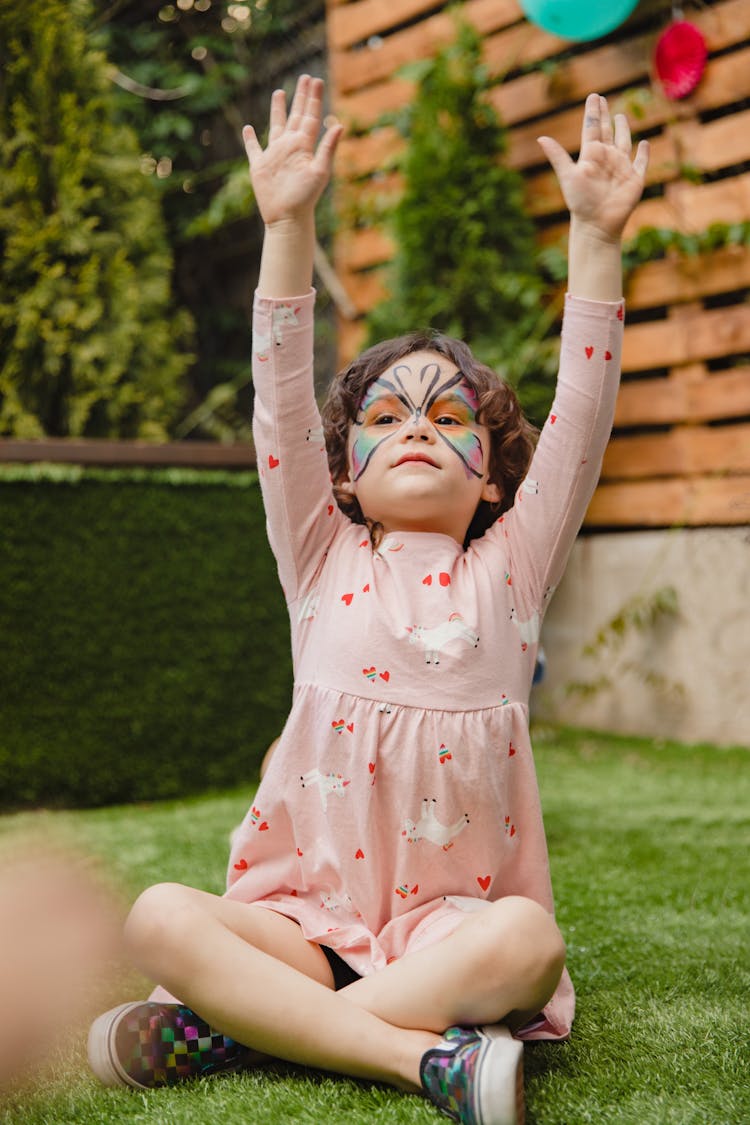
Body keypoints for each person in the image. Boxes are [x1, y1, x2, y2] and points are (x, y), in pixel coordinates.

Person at [87, 76, 648, 1124]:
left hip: (451, 930)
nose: (420, 425)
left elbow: (585, 410)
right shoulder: (318, 549)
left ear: (493, 477)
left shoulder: (514, 567)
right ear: (342, 472)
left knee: (530, 945)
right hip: (304, 926)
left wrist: (596, 240)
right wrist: (289, 220)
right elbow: (282, 396)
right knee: (158, 915)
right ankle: (419, 1061)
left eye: (450, 414)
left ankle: (240, 1032)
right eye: (387, 415)